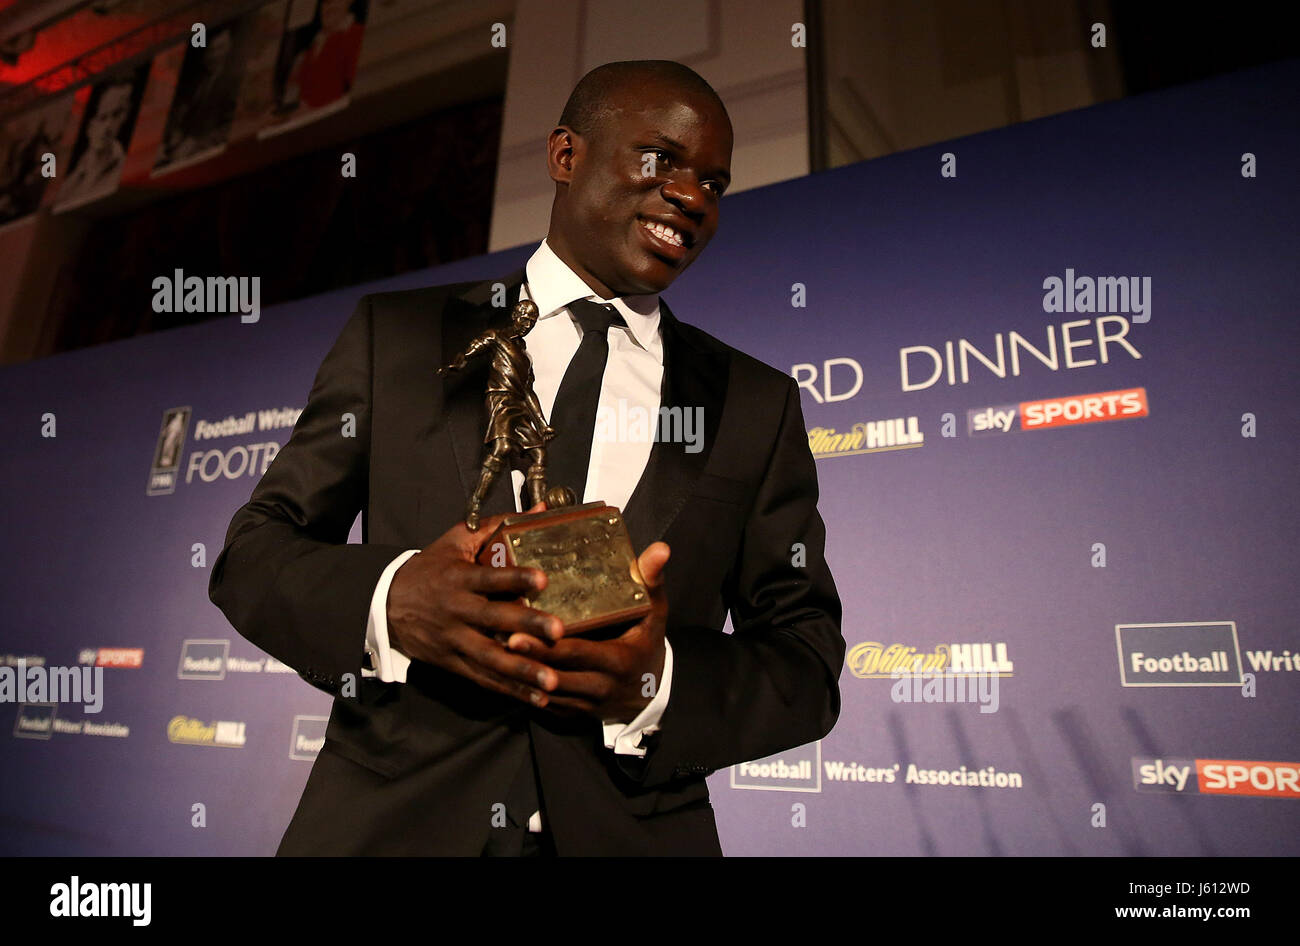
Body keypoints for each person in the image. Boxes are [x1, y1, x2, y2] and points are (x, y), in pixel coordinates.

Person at [209, 59, 844, 856]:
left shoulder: (756, 403)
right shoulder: (396, 339)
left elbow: (804, 658)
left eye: (713, 184)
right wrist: (393, 597)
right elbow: (255, 551)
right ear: (566, 156)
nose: (692, 198)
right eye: (662, 161)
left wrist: (656, 685)